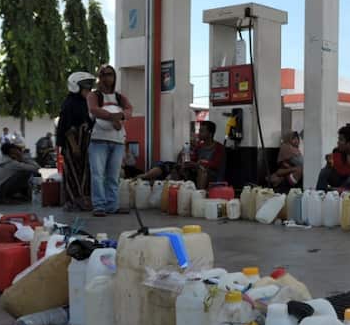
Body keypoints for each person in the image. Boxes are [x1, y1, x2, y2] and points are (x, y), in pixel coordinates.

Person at [86, 64, 132, 217]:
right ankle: (99, 206)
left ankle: (112, 206)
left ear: (114, 77)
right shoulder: (94, 95)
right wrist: (113, 117)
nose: (107, 77)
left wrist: (121, 116)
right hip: (98, 140)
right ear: (99, 77)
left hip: (117, 141)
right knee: (98, 175)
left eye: (110, 74)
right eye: (104, 74)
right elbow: (94, 110)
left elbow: (129, 110)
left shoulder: (119, 97)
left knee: (113, 176)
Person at [142, 121, 226, 188]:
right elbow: (192, 159)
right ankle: (152, 181)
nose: (199, 133)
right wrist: (185, 159)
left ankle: (200, 194)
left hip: (210, 174)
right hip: (196, 170)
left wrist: (199, 163)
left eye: (202, 131)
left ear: (210, 134)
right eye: (199, 130)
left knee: (202, 170)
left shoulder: (219, 148)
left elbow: (215, 165)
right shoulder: (199, 146)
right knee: (172, 166)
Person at [56, 71, 94, 211]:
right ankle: (73, 201)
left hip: (83, 143)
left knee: (83, 173)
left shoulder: (83, 103)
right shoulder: (70, 104)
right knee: (73, 173)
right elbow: (67, 128)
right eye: (85, 87)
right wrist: (74, 146)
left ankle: (82, 199)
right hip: (74, 144)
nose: (88, 90)